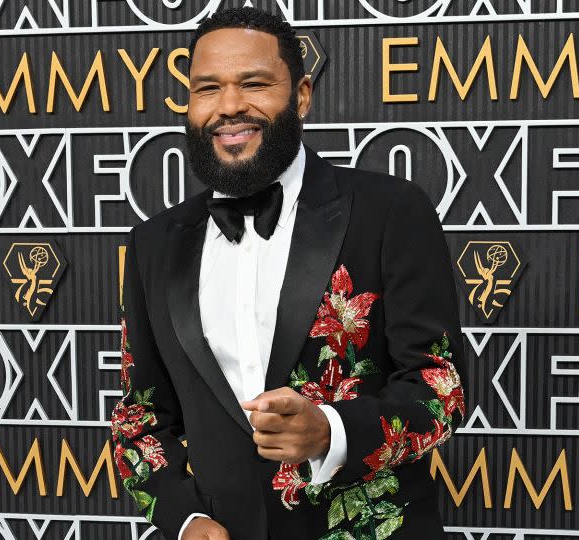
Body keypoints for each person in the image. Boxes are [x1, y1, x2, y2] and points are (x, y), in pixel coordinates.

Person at [110, 7, 466, 540]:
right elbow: (139, 422)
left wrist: (332, 431)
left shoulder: (390, 211)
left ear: (300, 95)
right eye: (207, 88)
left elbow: (444, 388)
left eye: (254, 83)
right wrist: (182, 519)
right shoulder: (154, 244)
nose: (229, 107)